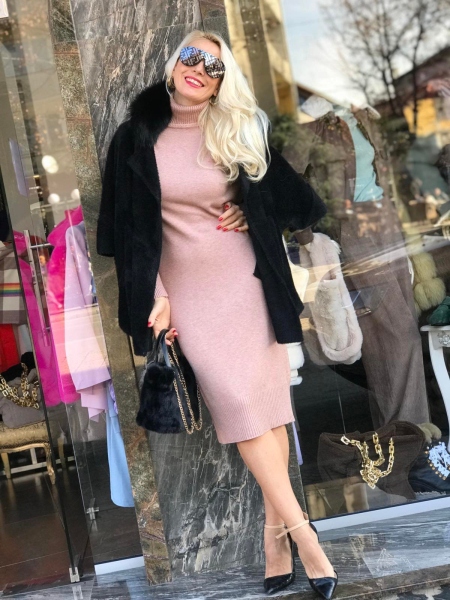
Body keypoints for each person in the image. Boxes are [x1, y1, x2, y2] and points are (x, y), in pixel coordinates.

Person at [97, 30, 336, 598]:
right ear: (173, 62)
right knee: (239, 405)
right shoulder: (135, 137)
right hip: (186, 295)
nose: (199, 69)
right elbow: (123, 233)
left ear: (222, 81)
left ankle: (278, 540)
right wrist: (155, 292)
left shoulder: (237, 128)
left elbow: (300, 202)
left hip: (246, 283)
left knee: (267, 413)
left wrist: (253, 213)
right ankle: (306, 537)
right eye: (191, 57)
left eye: (213, 65)